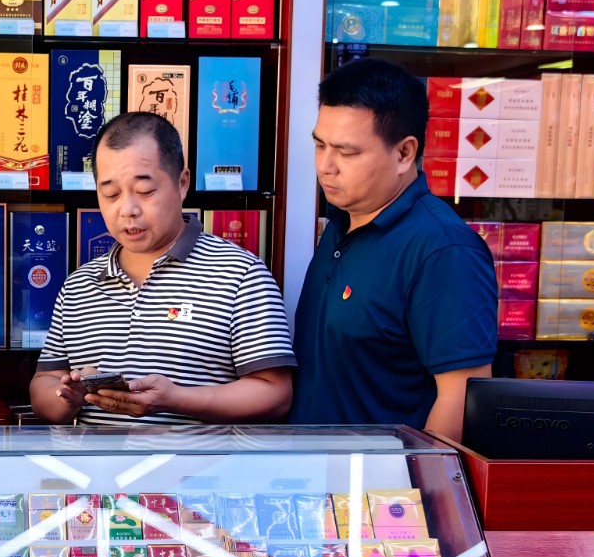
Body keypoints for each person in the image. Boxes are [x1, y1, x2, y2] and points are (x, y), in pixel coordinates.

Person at [29, 111, 294, 427]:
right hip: (98, 460)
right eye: (111, 194)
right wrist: (66, 397)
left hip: (198, 460)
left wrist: (175, 399)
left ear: (182, 183)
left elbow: (275, 394)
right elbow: (44, 383)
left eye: (145, 191)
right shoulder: (79, 285)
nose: (127, 209)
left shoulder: (241, 274)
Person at [292, 57, 497, 440]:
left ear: (404, 153)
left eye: (347, 152)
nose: (325, 166)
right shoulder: (341, 222)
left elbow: (462, 396)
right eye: (319, 145)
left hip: (382, 475)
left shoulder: (443, 251)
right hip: (312, 467)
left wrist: (420, 474)